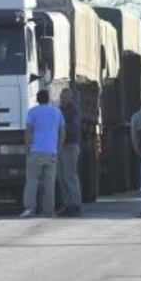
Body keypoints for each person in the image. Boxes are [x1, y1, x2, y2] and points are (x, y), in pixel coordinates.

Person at [20, 90, 65, 218]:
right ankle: (49, 210)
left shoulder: (33, 112)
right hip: (51, 152)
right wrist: (58, 147)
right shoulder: (57, 112)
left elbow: (28, 131)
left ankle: (30, 208)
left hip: (36, 151)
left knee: (32, 181)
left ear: (37, 100)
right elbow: (62, 132)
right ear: (48, 99)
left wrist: (27, 147)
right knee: (49, 183)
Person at [56, 88, 83, 217]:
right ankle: (68, 205)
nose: (63, 99)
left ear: (71, 98)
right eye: (62, 97)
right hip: (60, 146)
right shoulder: (58, 110)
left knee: (70, 176)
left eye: (66, 97)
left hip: (70, 145)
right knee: (62, 177)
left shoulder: (75, 111)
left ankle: (76, 205)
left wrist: (60, 126)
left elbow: (74, 127)